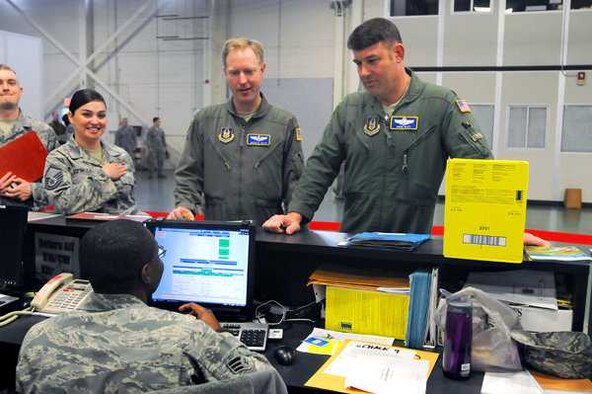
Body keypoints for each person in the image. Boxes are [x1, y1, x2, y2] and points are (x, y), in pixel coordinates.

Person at [261, 18, 549, 247]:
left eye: (372, 61)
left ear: (398, 54)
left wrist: (503, 229)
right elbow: (322, 164)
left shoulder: (440, 105)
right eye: (358, 63)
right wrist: (297, 212)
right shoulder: (351, 108)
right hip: (356, 244)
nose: (363, 72)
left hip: (413, 249)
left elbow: (479, 167)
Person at [16, 220, 279, 392]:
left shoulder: (38, 337)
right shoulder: (188, 335)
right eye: (159, 256)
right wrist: (218, 333)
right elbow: (265, 380)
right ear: (147, 273)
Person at [169, 37, 304, 225]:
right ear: (225, 73)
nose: (242, 80)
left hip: (267, 234)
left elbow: (295, 183)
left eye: (249, 71)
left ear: (262, 70)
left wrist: (294, 216)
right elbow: (188, 174)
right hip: (216, 230)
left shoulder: (284, 124)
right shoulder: (205, 121)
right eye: (234, 73)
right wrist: (184, 204)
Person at [43, 89, 138, 214]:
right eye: (87, 114)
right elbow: (63, 203)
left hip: (123, 229)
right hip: (84, 231)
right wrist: (103, 175)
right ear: (71, 117)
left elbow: (128, 202)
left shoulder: (120, 155)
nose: (95, 121)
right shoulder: (59, 159)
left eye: (101, 115)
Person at [0, 64, 58, 210]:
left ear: (20, 91)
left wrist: (33, 190)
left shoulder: (43, 132)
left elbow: (62, 184)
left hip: (32, 221)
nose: (6, 87)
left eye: (11, 83)